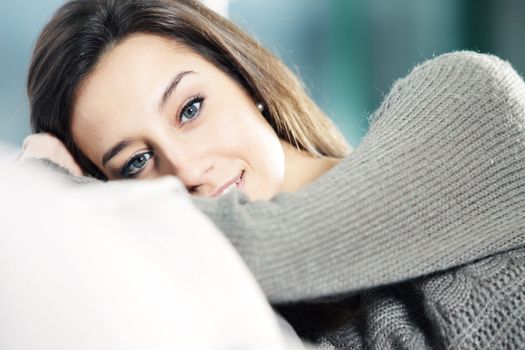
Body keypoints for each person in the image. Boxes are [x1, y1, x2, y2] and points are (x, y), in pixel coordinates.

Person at [20, 0, 525, 348]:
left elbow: (274, 243)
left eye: (190, 108)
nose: (187, 170)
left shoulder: (466, 99)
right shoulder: (252, 320)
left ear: (244, 77)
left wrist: (51, 195)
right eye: (135, 163)